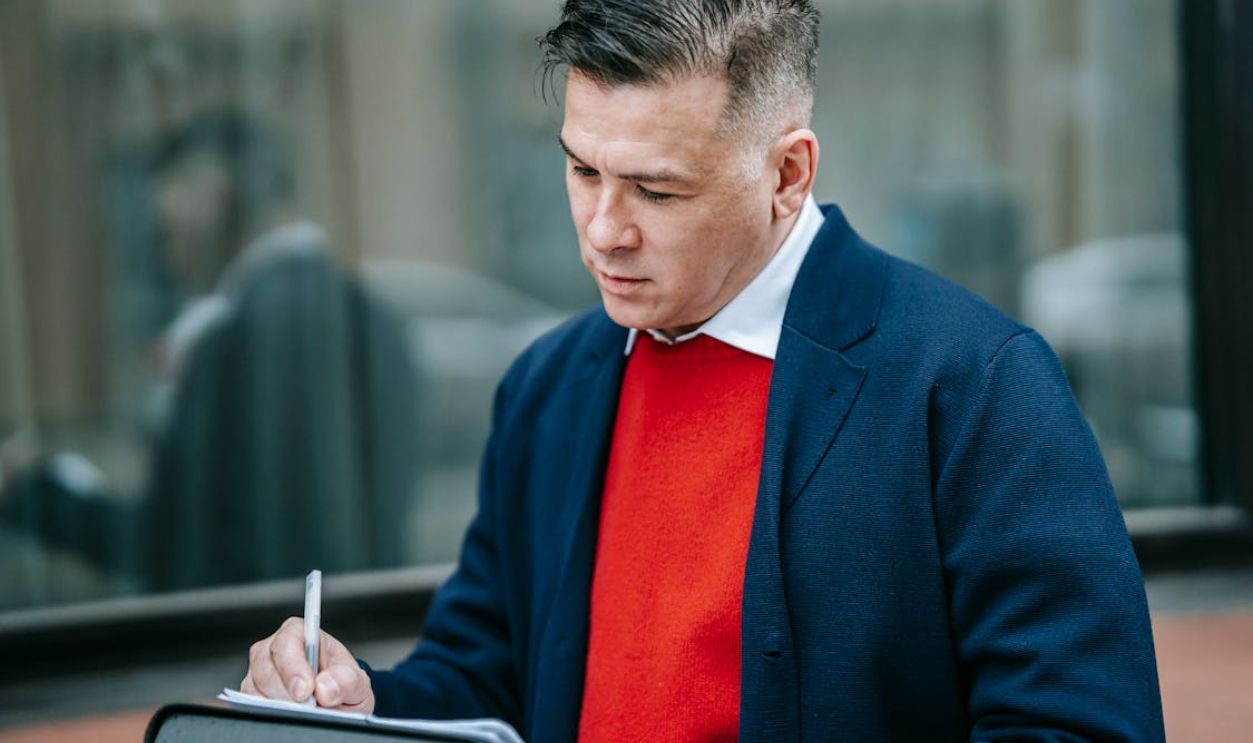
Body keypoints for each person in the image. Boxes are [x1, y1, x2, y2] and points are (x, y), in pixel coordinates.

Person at [241, 2, 1165, 741]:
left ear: (787, 174)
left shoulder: (971, 384)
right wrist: (356, 706)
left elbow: (1078, 724)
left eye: (655, 189)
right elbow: (486, 678)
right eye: (579, 170)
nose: (604, 228)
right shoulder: (548, 386)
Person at [0, 112, 420, 592]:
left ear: (211, 191)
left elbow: (179, 549)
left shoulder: (240, 334)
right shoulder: (374, 316)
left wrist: (33, 495)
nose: (167, 250)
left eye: (167, 227)